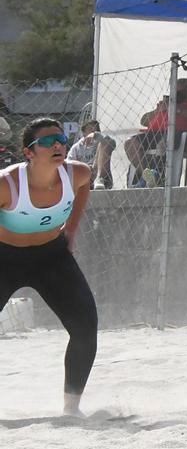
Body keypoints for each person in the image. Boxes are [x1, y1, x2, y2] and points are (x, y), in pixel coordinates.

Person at [0, 118, 100, 416]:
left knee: (85, 326)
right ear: (28, 152)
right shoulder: (8, 184)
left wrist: (71, 230)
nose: (57, 145)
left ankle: (71, 408)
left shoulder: (77, 173)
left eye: (60, 139)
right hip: (5, 257)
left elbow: (83, 189)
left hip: (51, 256)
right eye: (46, 142)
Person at [123, 78, 187, 187]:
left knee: (164, 142)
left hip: (179, 135)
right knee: (130, 143)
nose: (180, 93)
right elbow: (143, 121)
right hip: (154, 134)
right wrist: (157, 110)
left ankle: (160, 177)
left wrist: (177, 109)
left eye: (184, 90)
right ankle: (149, 177)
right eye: (177, 90)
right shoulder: (166, 104)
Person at [70, 120, 113, 190]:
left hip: (100, 178)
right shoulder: (76, 148)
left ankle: (99, 179)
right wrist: (85, 168)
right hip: (83, 177)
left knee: (106, 143)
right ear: (84, 133)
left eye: (96, 129)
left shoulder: (102, 143)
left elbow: (111, 143)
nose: (94, 131)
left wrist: (96, 135)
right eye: (91, 129)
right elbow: (69, 163)